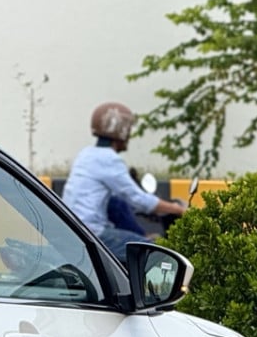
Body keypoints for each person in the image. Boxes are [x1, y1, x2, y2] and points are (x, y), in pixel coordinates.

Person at [62, 102, 184, 261]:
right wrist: (177, 209)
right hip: (93, 232)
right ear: (122, 131)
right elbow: (138, 199)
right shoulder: (109, 159)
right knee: (154, 253)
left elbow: (118, 201)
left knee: (121, 211)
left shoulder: (86, 154)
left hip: (75, 228)